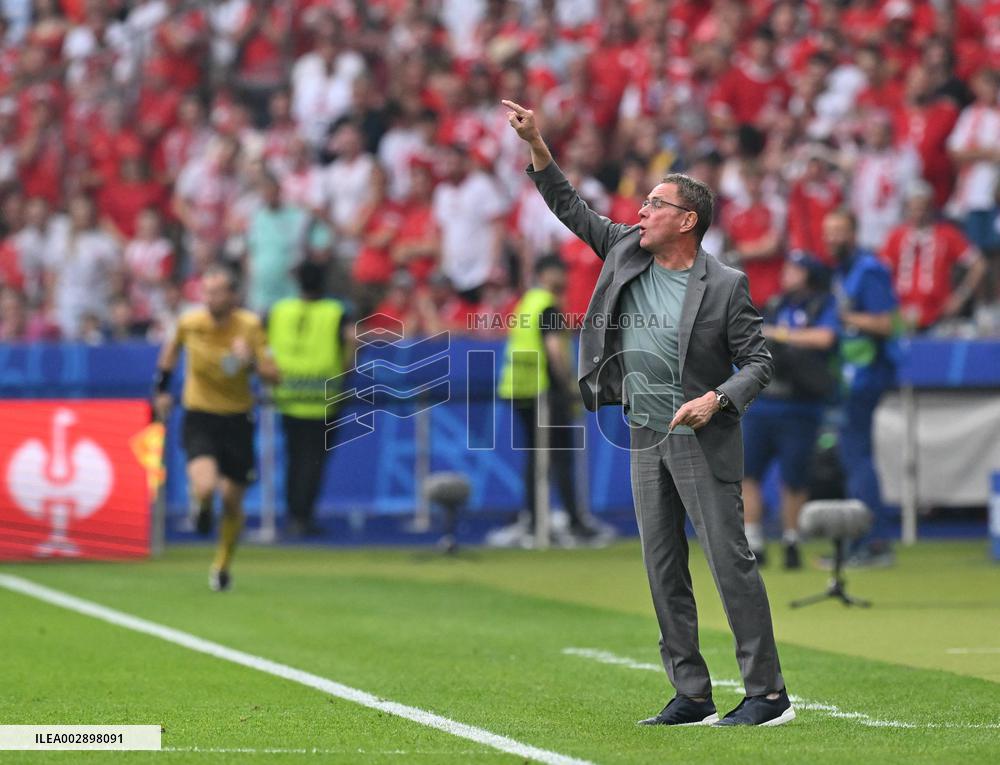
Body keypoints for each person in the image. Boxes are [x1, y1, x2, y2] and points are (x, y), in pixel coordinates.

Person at [503, 99, 792, 727]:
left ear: (686, 220)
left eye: (656, 204)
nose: (641, 211)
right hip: (643, 431)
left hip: (701, 437)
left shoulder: (726, 285)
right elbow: (568, 206)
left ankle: (768, 695)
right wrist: (538, 146)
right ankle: (691, 693)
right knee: (663, 570)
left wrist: (717, 399)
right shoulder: (625, 250)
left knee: (728, 564)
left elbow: (758, 362)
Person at [154, 265, 280, 591]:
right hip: (201, 414)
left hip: (238, 419)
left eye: (218, 291)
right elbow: (169, 355)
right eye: (206, 291)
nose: (211, 298)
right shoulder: (190, 322)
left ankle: (222, 565)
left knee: (234, 501)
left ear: (233, 295)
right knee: (207, 485)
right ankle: (202, 506)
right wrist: (163, 390)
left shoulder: (249, 326)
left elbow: (273, 374)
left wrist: (251, 359)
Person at [742, 252, 840, 570]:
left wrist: (780, 335)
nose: (786, 274)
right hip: (764, 401)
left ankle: (792, 539)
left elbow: (825, 338)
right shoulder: (773, 305)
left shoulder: (822, 304)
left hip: (800, 404)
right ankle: (753, 539)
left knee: (794, 479)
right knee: (746, 473)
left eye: (794, 269)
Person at [497, 254, 596, 543]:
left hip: (519, 388)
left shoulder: (526, 303)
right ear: (545, 274)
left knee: (536, 457)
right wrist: (569, 386)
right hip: (545, 390)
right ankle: (574, 523)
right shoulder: (548, 306)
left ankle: (534, 519)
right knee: (561, 457)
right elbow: (555, 351)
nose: (563, 277)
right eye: (558, 271)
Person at [822, 209, 898, 567]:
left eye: (839, 230)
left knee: (856, 457)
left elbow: (886, 323)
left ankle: (873, 542)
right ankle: (864, 541)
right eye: (829, 232)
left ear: (854, 232)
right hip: (850, 375)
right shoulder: (843, 270)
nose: (833, 238)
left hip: (866, 375)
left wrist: (844, 318)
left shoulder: (869, 269)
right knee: (854, 456)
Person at [268, 260, 353, 538]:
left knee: (294, 458)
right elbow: (351, 344)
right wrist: (345, 372)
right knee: (314, 461)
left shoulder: (280, 310)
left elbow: (262, 344)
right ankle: (303, 516)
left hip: (288, 395)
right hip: (323, 397)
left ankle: (293, 513)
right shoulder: (335, 312)